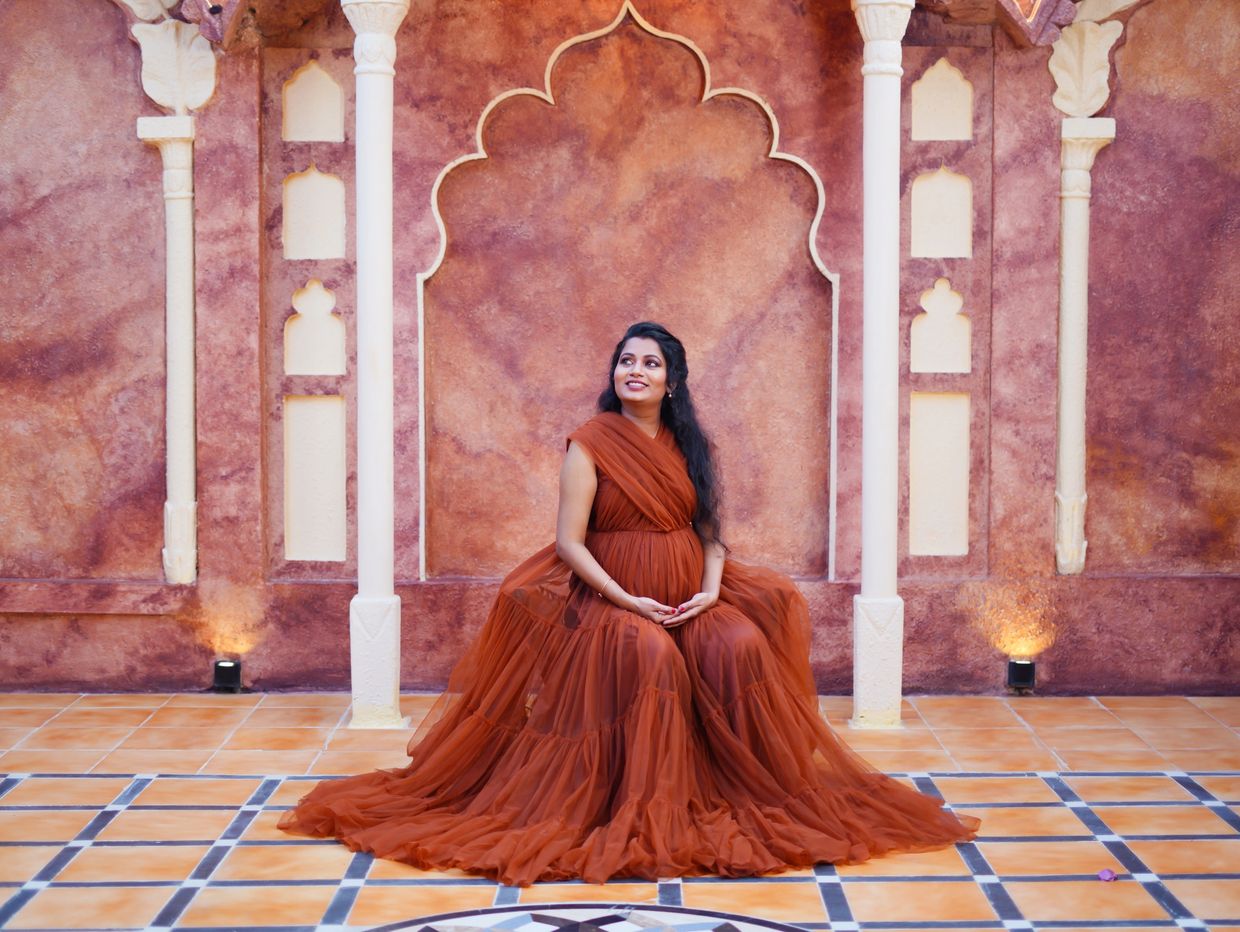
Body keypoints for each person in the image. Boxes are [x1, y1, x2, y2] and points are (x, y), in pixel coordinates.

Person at [279, 321, 978, 886]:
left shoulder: (692, 445)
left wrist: (708, 591)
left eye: (649, 363)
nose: (634, 371)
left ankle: (753, 794)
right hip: (608, 599)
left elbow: (710, 531)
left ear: (672, 381)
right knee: (648, 658)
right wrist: (626, 600)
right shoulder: (588, 445)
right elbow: (568, 544)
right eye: (625, 362)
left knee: (739, 644)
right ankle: (644, 803)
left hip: (691, 593)